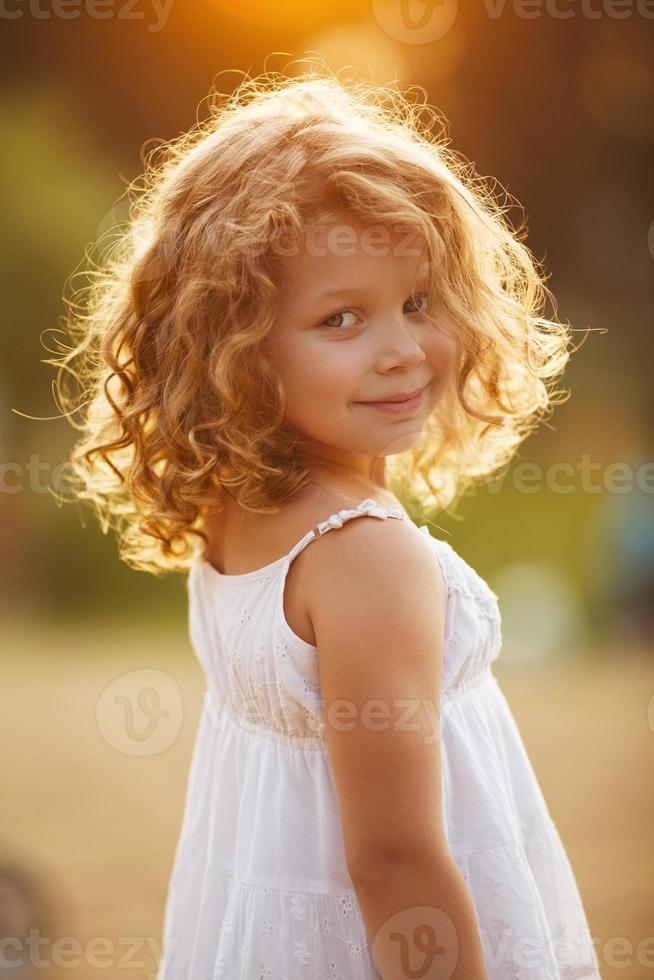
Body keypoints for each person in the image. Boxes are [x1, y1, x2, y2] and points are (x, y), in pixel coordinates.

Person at [54, 66, 602, 980]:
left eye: (418, 301)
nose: (401, 351)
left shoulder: (238, 514)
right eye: (342, 317)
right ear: (236, 350)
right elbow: (396, 860)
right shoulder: (365, 558)